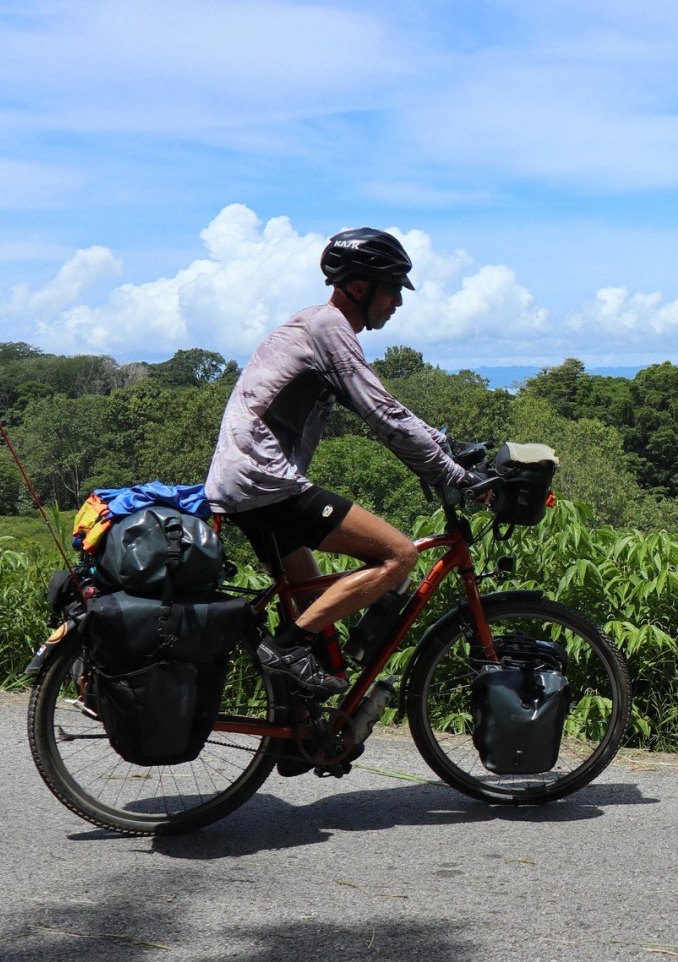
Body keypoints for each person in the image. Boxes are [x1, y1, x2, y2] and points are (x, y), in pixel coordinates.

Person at [205, 228, 485, 694]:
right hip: (265, 482)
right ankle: (285, 649)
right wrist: (455, 475)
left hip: (246, 482)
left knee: (317, 601)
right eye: (392, 289)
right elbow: (382, 414)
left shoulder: (316, 326)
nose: (398, 301)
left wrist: (445, 444)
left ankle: (303, 722)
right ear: (358, 287)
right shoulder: (328, 328)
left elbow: (384, 408)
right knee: (399, 555)